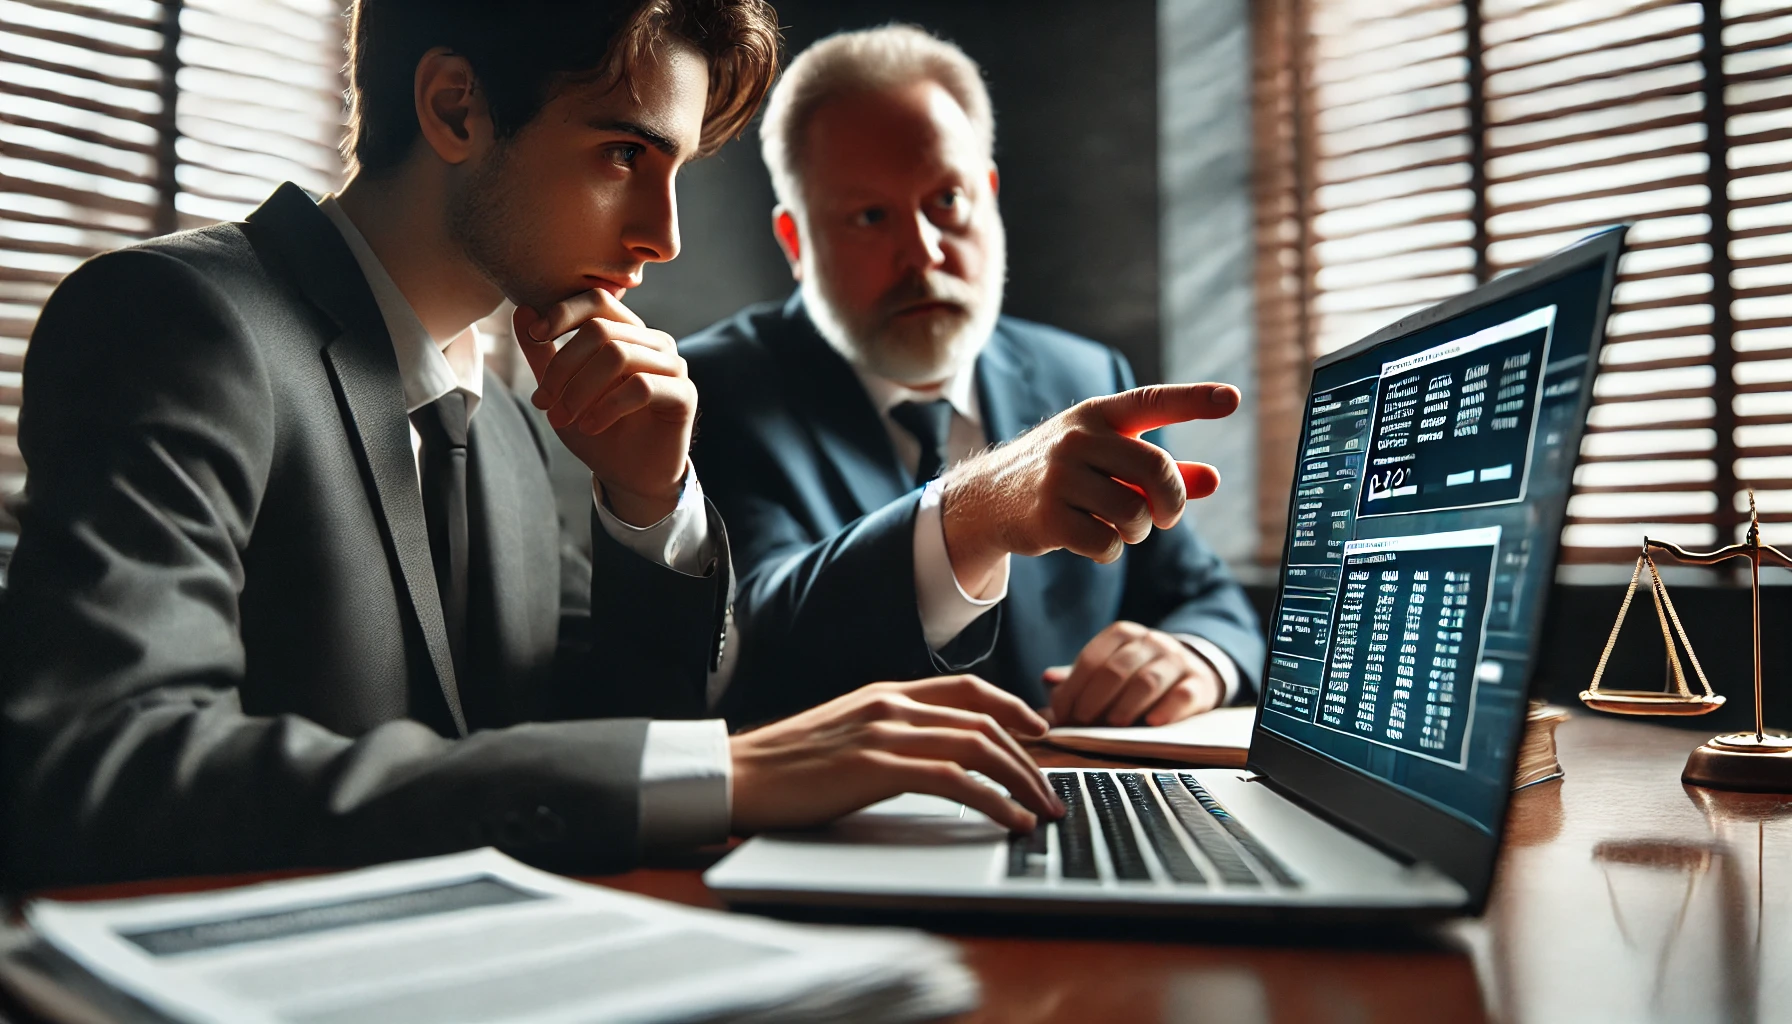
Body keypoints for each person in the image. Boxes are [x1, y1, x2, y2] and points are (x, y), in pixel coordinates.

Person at [0, 0, 1065, 889]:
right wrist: (725, 774)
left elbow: (584, 740)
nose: (665, 233)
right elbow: (101, 763)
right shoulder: (177, 321)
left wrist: (652, 505)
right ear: (455, 106)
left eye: (675, 166)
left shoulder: (508, 421)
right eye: (622, 152)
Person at [682, 25, 1264, 729]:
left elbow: (1205, 599)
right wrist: (976, 513)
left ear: (988, 196)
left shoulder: (1083, 375)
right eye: (871, 216)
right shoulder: (713, 390)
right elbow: (748, 639)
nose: (923, 253)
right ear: (796, 242)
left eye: (948, 202)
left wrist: (1192, 658)